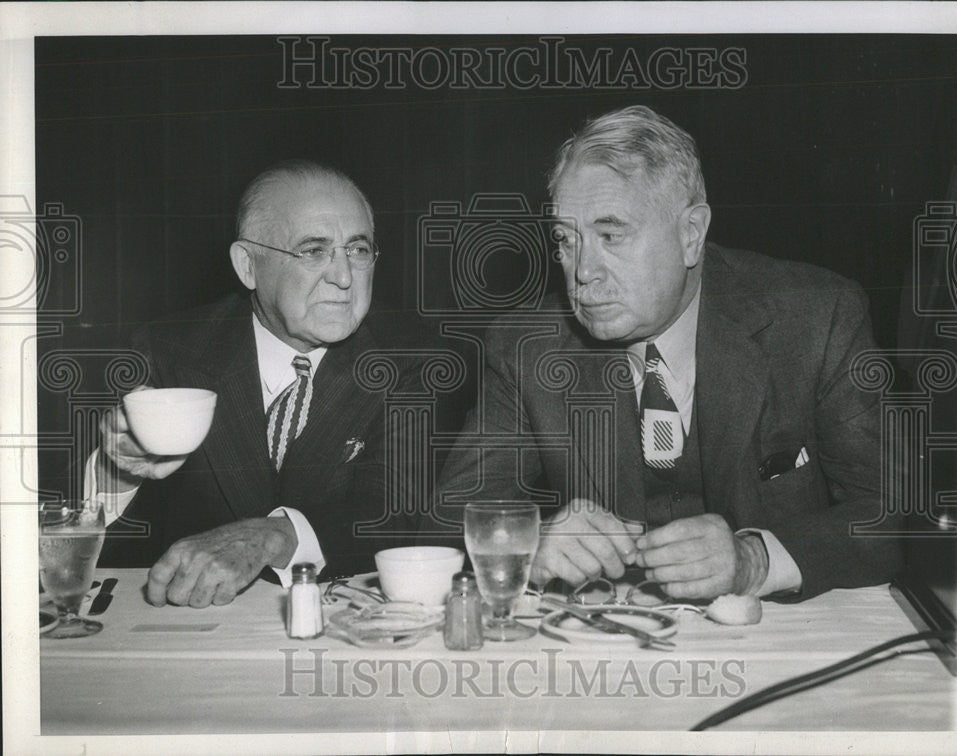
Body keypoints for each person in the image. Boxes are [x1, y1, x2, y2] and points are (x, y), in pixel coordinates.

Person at [432, 106, 902, 601]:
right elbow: (443, 527)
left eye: (611, 235)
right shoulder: (526, 348)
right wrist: (526, 545)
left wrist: (755, 560)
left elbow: (897, 512)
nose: (582, 271)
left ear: (690, 234)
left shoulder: (815, 319)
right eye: (566, 240)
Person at [91, 160, 420, 607]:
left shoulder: (411, 360)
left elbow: (400, 515)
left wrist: (272, 537)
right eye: (313, 250)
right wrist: (118, 470)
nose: (344, 277)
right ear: (248, 266)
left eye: (358, 250)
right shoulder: (168, 352)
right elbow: (84, 543)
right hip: (193, 627)